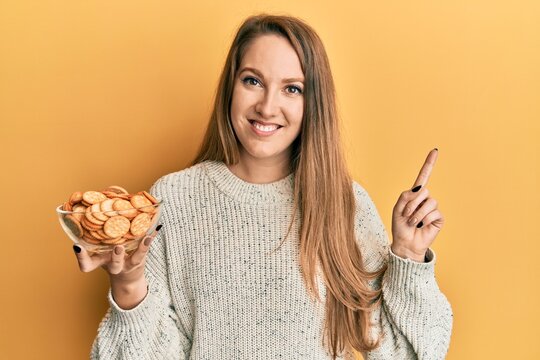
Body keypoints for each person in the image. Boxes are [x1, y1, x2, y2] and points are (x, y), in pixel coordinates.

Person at [73, 13, 453, 359]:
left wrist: (408, 256)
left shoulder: (343, 204)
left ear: (312, 104)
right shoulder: (173, 199)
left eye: (292, 89)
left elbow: (404, 353)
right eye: (253, 81)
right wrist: (128, 283)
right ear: (231, 87)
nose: (268, 107)